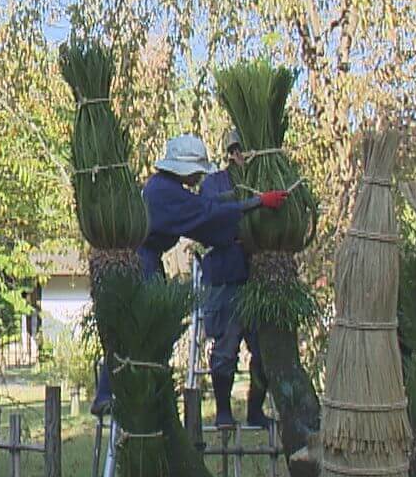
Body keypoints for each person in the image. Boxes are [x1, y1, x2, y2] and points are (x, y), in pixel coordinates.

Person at [92, 134, 287, 414]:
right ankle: (111, 394)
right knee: (135, 333)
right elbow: (205, 214)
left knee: (132, 333)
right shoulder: (165, 193)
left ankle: (114, 392)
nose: (198, 177)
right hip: (141, 265)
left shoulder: (163, 187)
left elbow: (202, 207)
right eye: (196, 171)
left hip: (145, 262)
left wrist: (239, 197)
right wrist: (256, 203)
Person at [196, 127, 271, 429]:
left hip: (256, 277)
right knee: (225, 349)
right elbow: (214, 214)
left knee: (263, 351)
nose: (242, 155)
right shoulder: (214, 184)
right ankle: (224, 412)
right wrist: (253, 203)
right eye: (238, 150)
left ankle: (255, 410)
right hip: (224, 276)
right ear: (231, 152)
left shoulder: (264, 180)